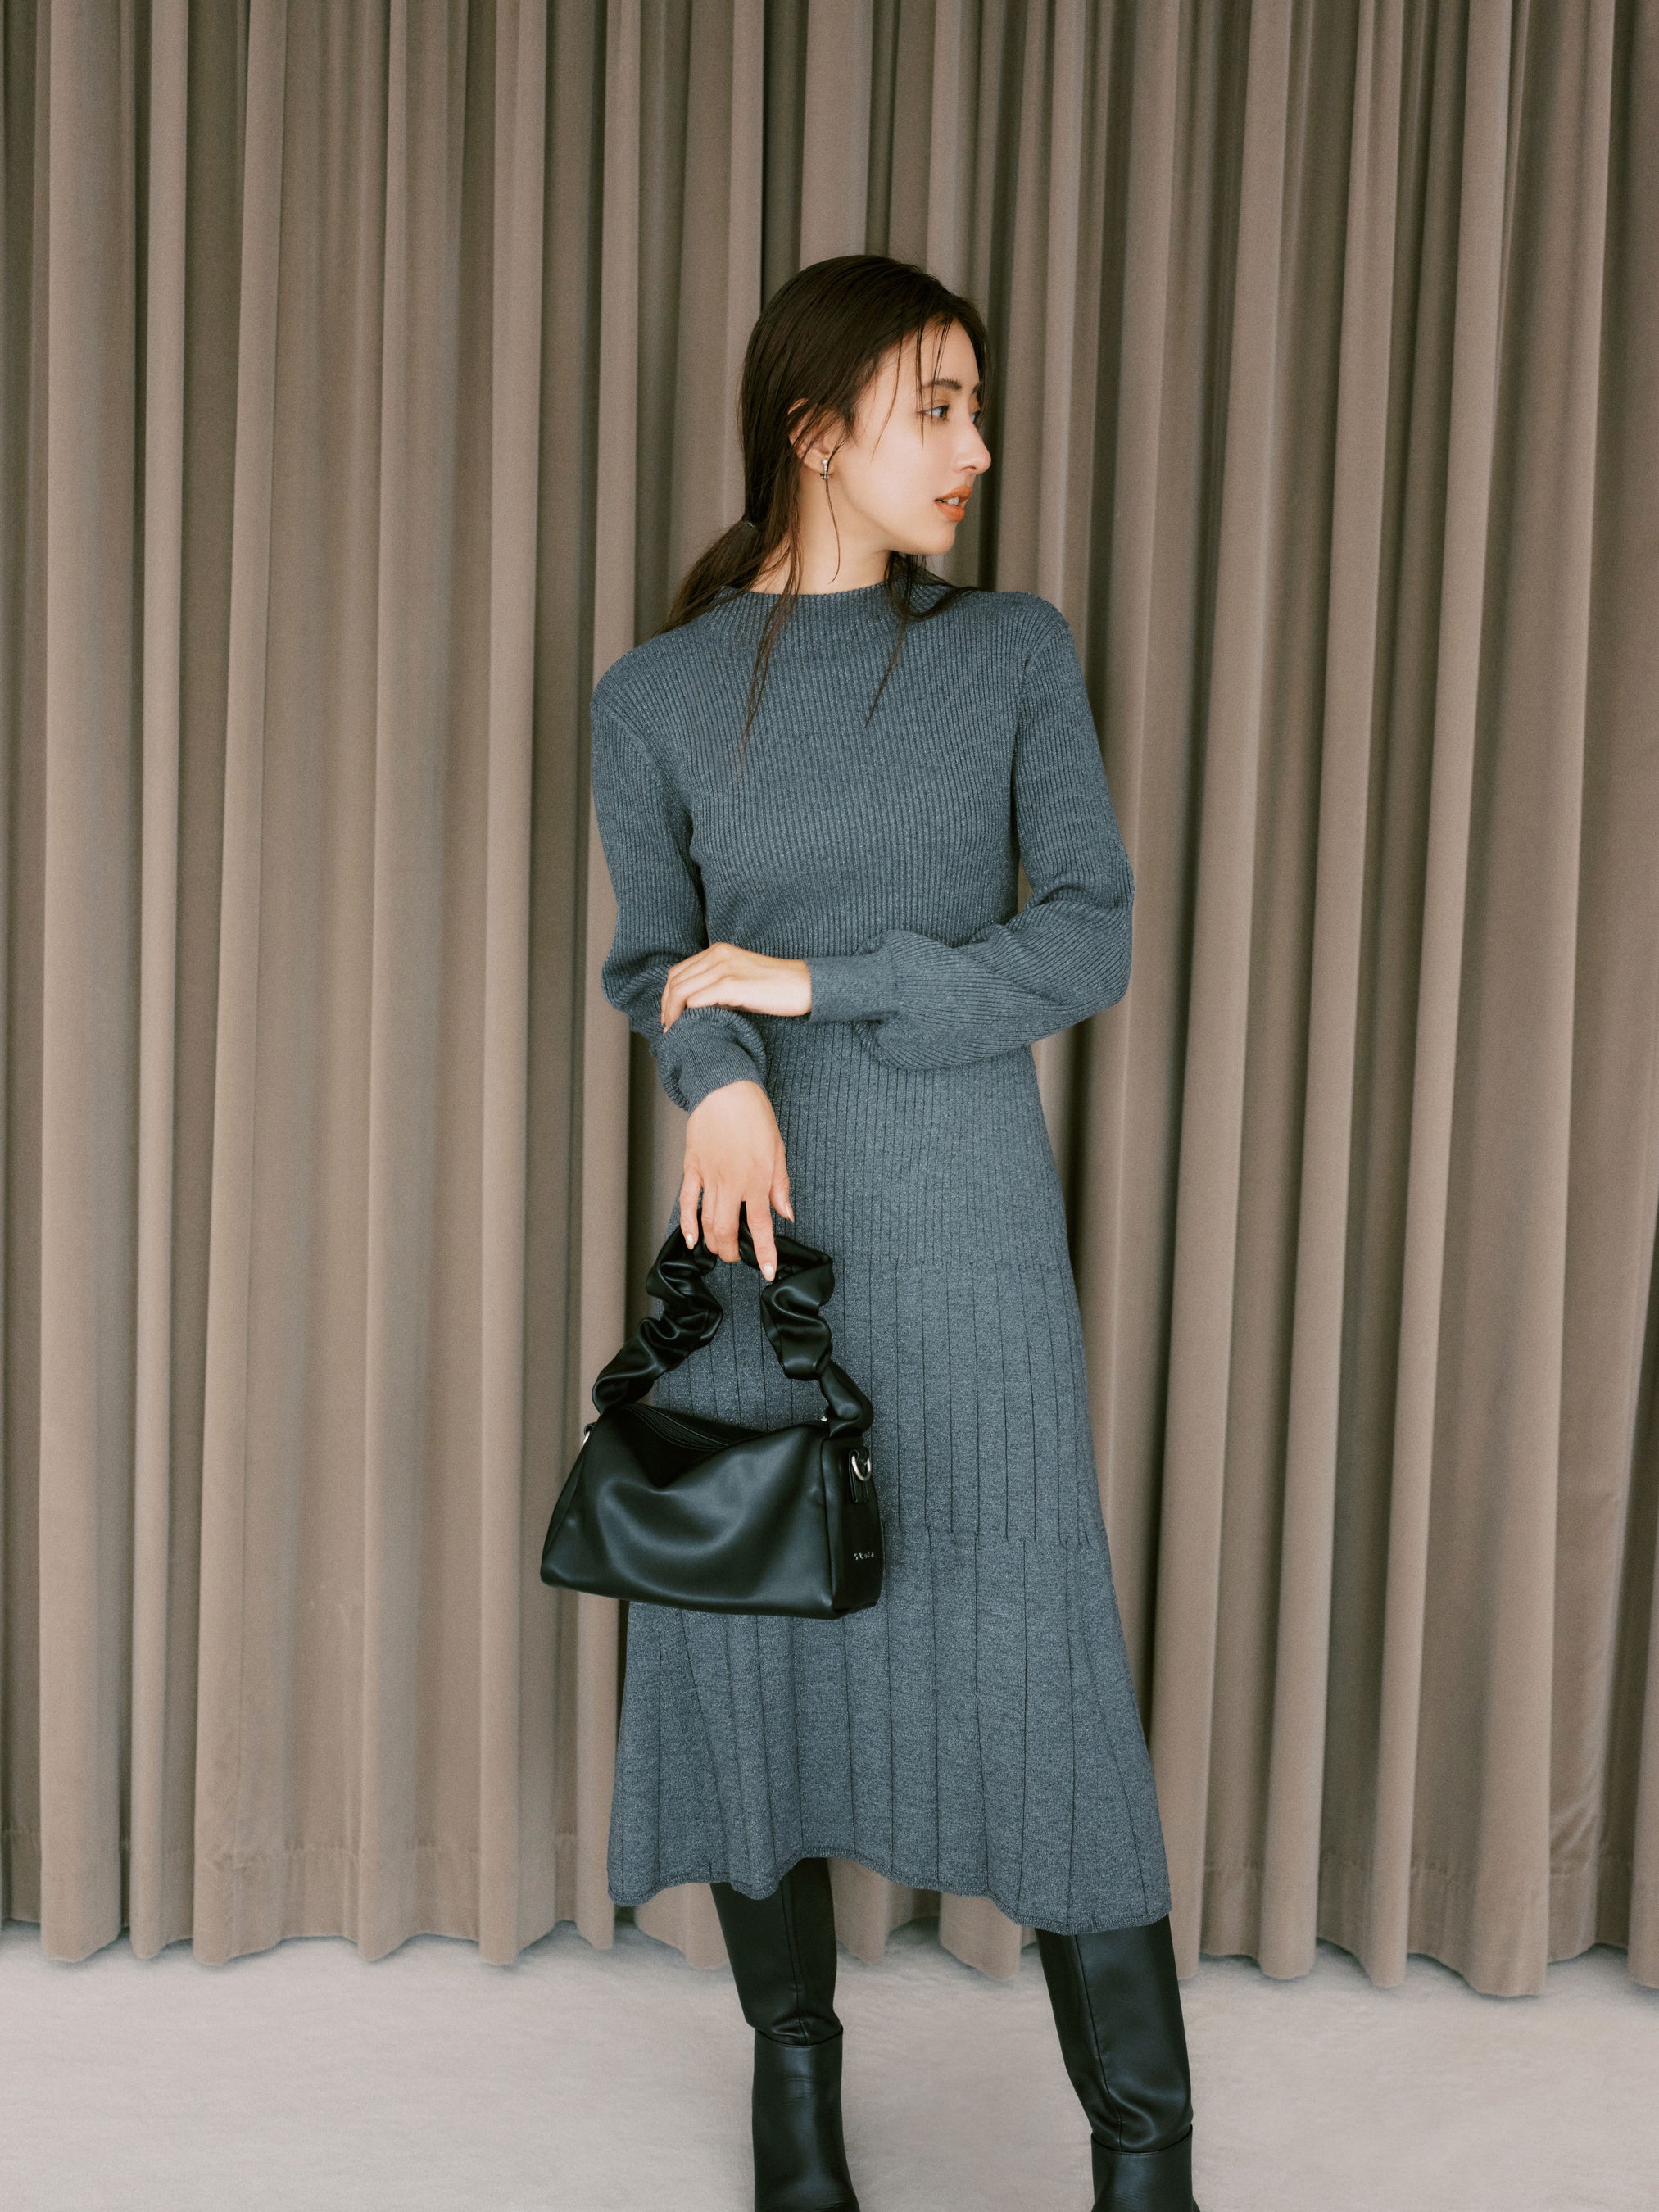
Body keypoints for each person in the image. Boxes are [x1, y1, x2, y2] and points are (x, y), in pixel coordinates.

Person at [587, 254, 1199, 2212]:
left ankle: (1144, 2154)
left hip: (967, 1227)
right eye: (936, 407)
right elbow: (654, 965)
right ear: (811, 427)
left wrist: (817, 990)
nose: (975, 448)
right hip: (758, 1239)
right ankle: (796, 2097)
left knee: (1037, 1667)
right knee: (752, 1648)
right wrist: (716, 1073)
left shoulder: (1008, 651)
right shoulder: (652, 696)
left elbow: (1085, 937)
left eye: (972, 406)